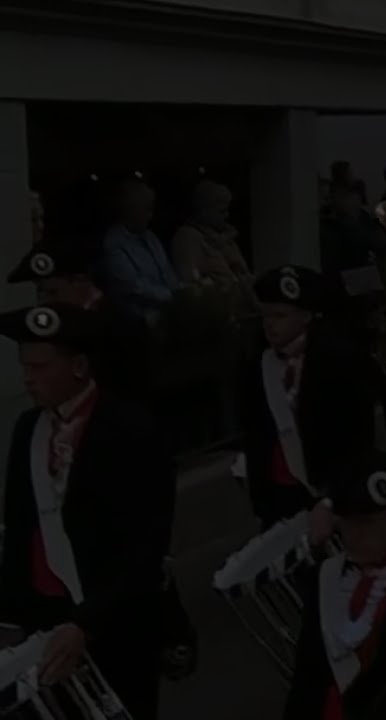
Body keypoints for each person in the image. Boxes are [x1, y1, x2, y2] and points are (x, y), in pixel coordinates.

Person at [0, 304, 175, 720]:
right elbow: (21, 528)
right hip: (43, 618)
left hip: (113, 623)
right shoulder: (28, 428)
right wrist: (9, 617)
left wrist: (87, 622)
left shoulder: (130, 429)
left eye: (41, 366)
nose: (28, 377)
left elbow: (146, 546)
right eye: (25, 365)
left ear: (79, 366)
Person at [284, 452, 386, 719]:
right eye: (348, 522)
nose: (355, 535)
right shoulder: (324, 579)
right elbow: (307, 679)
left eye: (368, 523)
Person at [239, 265, 376, 531]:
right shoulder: (256, 360)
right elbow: (252, 426)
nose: (269, 323)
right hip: (276, 489)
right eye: (265, 314)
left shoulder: (339, 358)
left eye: (280, 315)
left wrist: (340, 493)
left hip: (326, 488)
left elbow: (357, 433)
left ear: (305, 316)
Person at [7, 240, 151, 397]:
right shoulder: (63, 328)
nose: (46, 304)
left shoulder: (123, 326)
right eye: (41, 295)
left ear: (80, 281)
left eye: (53, 292)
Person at [99, 178, 179, 324]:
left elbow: (167, 273)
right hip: (137, 323)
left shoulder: (151, 237)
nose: (151, 216)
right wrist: (174, 296)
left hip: (167, 313)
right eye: (147, 209)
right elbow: (134, 287)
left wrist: (183, 293)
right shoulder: (113, 243)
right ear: (129, 209)